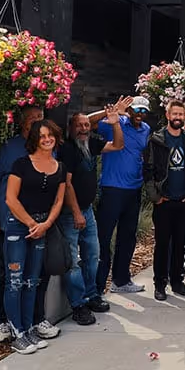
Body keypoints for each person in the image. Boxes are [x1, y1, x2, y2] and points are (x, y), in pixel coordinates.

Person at [0, 105, 59, 344]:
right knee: (2, 273)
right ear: (22, 123)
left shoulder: (49, 150)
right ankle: (1, 321)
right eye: (32, 118)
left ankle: (35, 319)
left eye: (40, 117)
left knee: (37, 274)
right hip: (9, 223)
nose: (37, 121)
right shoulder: (11, 149)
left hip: (39, 225)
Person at [58, 102, 128, 326]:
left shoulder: (91, 143)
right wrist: (76, 213)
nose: (84, 128)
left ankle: (91, 295)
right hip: (70, 213)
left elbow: (118, 145)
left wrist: (114, 122)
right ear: (71, 128)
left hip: (87, 211)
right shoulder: (68, 148)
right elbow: (67, 184)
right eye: (79, 125)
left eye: (87, 125)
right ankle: (78, 305)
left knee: (92, 256)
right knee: (72, 262)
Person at [3, 119, 68, 354]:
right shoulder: (21, 164)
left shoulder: (60, 167)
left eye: (50, 135)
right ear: (34, 139)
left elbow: (59, 200)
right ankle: (17, 333)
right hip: (19, 226)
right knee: (15, 281)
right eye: (42, 136)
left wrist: (46, 224)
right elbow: (10, 199)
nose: (47, 139)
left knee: (32, 281)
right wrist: (32, 224)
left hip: (42, 226)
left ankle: (29, 328)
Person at [145, 100, 185, 301]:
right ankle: (160, 283)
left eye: (181, 114)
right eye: (175, 114)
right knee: (162, 244)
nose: (178, 117)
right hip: (164, 200)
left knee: (180, 243)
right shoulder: (157, 139)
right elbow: (149, 169)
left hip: (183, 200)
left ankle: (177, 281)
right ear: (168, 115)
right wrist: (155, 196)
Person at [95, 95, 154, 294]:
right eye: (136, 109)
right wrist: (109, 112)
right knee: (104, 237)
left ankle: (120, 281)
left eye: (144, 111)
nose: (140, 114)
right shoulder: (114, 122)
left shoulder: (146, 129)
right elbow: (85, 122)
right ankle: (97, 286)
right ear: (129, 110)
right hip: (112, 188)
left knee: (127, 237)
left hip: (134, 189)